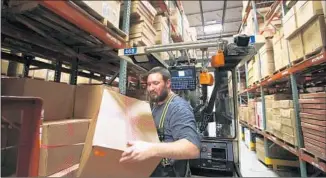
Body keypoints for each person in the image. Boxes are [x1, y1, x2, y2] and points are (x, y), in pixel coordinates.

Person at [119, 67, 201, 177]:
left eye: (155, 83)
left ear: (168, 83)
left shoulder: (179, 108)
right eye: (148, 84)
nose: (151, 88)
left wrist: (151, 149)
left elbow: (192, 148)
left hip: (169, 173)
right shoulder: (156, 106)